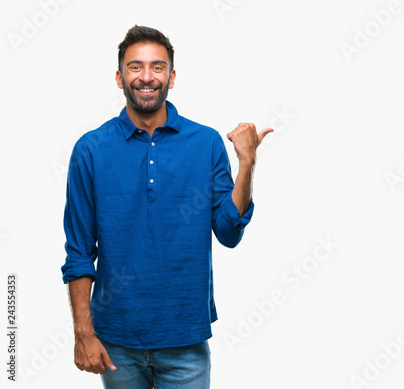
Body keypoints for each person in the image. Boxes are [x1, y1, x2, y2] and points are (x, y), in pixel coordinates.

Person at [61, 25, 272, 388]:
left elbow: (228, 232)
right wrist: (83, 332)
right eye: (135, 67)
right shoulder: (91, 149)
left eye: (157, 67)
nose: (146, 77)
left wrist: (247, 165)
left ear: (172, 77)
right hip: (116, 340)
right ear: (119, 77)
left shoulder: (205, 143)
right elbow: (79, 251)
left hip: (185, 338)